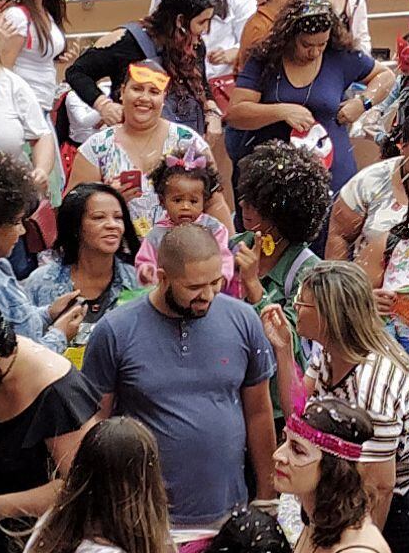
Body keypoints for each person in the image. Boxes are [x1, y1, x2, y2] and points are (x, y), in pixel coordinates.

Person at [79, 222, 276, 536]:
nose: (208, 295)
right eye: (194, 287)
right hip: (145, 523)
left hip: (229, 517)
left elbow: (259, 411)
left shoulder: (243, 319)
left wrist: (267, 497)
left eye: (215, 282)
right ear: (162, 278)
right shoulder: (115, 331)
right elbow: (95, 424)